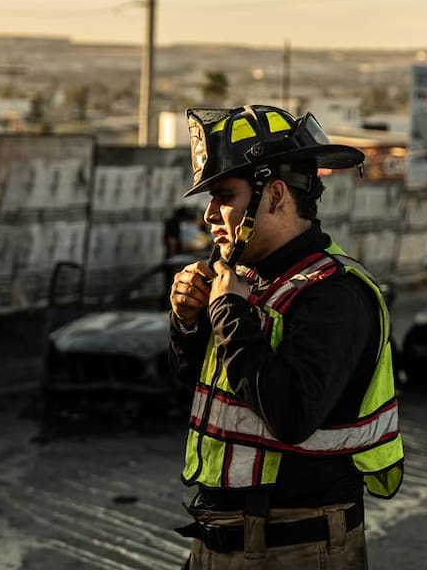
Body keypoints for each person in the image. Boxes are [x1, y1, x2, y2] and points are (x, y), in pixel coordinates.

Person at [167, 104, 404, 569]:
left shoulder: (335, 294)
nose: (210, 214)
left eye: (224, 195)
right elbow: (204, 396)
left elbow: (291, 414)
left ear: (275, 195)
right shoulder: (246, 280)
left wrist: (230, 312)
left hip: (296, 548)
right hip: (222, 541)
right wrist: (187, 322)